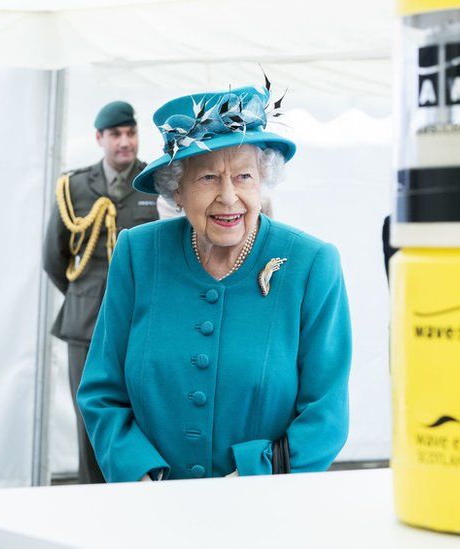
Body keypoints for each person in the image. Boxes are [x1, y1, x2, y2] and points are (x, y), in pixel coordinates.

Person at [77, 85, 352, 482]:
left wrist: (248, 479)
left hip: (263, 512)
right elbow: (102, 392)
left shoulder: (312, 265)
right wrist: (141, 477)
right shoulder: (137, 254)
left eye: (243, 176)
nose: (228, 197)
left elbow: (326, 415)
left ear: (262, 181)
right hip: (149, 512)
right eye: (208, 178)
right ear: (177, 190)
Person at [43, 100, 157, 484]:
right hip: (86, 324)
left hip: (142, 322)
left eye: (131, 132)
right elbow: (54, 258)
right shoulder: (73, 186)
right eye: (116, 134)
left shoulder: (156, 184)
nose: (125, 142)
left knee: (142, 416)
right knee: (91, 420)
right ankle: (90, 506)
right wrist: (86, 296)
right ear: (99, 138)